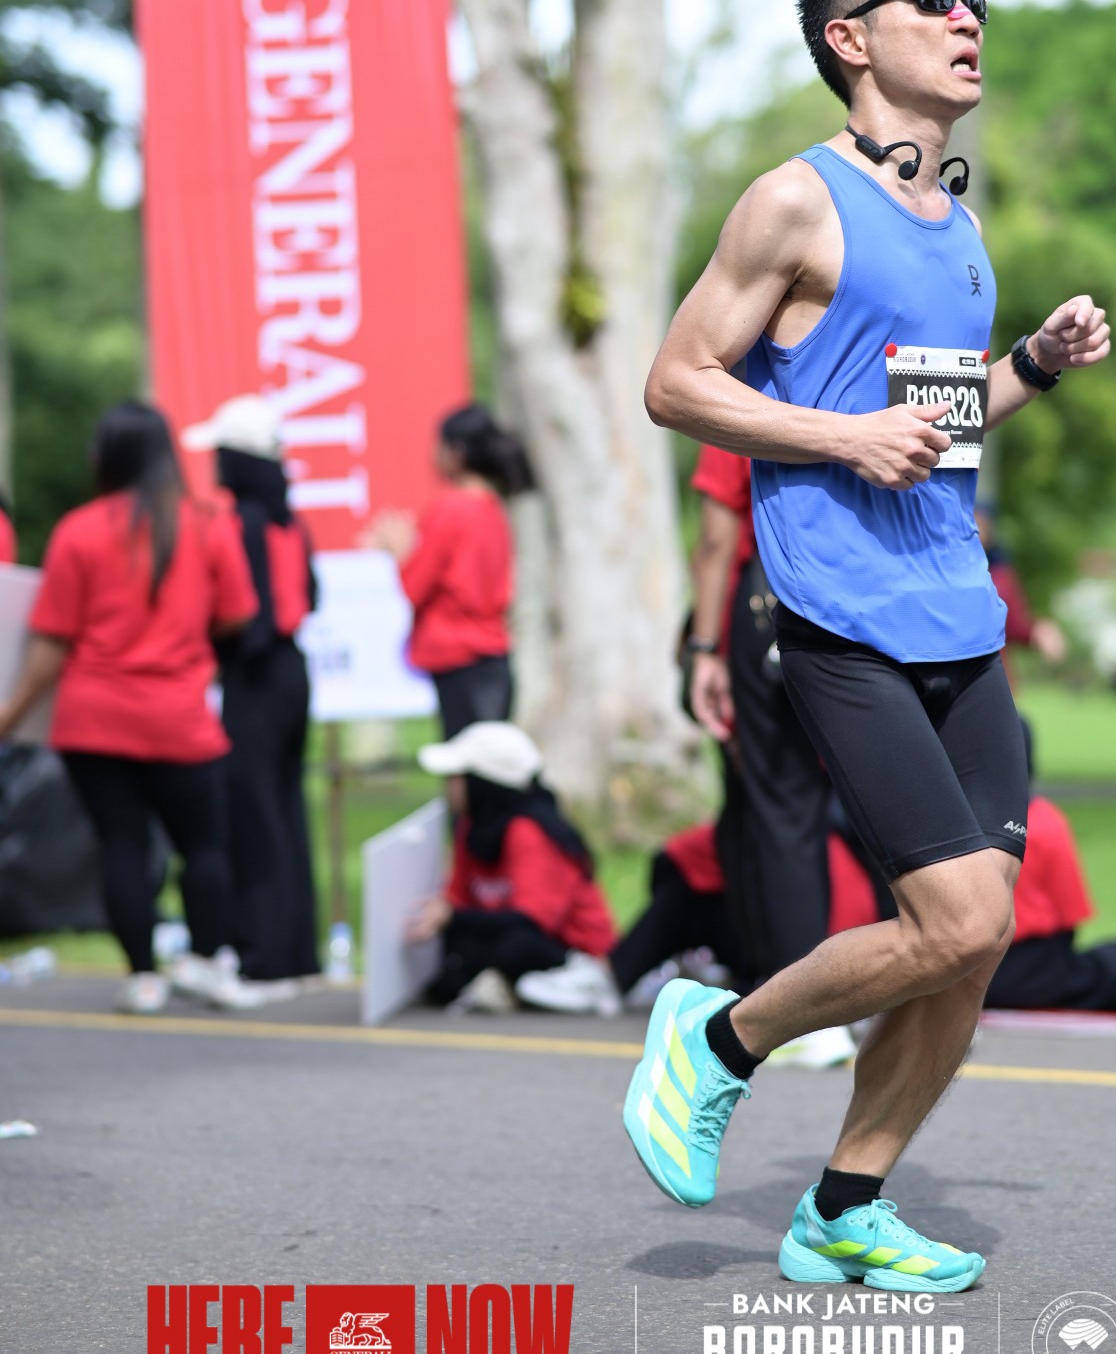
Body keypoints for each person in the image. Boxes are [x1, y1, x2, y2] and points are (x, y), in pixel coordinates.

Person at [623, 0, 1110, 1293]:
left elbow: (934, 430)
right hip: (840, 613)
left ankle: (844, 1204)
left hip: (960, 616)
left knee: (975, 942)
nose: (967, 18)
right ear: (849, 39)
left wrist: (1031, 365)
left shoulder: (956, 226)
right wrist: (840, 440)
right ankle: (715, 1037)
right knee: (951, 919)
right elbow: (674, 382)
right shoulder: (795, 200)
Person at [0, 403, 262, 1014]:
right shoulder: (206, 525)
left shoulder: (80, 531)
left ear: (108, 458)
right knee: (204, 846)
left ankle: (143, 977)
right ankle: (207, 963)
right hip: (179, 718)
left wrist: (10, 716)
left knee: (120, 845)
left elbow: (51, 645)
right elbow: (238, 614)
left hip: (94, 720)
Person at [181, 395, 320, 984]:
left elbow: (239, 610)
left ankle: (262, 953)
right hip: (292, 671)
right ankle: (297, 950)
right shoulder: (291, 521)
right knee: (285, 808)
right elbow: (310, 595)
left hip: (254, 674)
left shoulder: (237, 524)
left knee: (253, 814)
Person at [686, 446, 832, 992]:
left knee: (783, 806)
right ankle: (923, 992)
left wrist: (705, 647)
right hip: (871, 594)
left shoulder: (747, 403)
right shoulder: (859, 393)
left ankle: (802, 999)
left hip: (773, 602)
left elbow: (717, 538)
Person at [515, 816, 881, 1025]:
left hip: (821, 966)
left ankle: (613, 975)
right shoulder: (824, 830)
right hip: (852, 959)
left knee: (679, 898)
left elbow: (672, 858)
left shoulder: (767, 820)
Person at [406, 721, 616, 1013]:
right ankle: (501, 983)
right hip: (511, 935)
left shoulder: (528, 831)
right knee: (447, 971)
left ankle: (568, 983)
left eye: (456, 777)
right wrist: (444, 916)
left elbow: (528, 921)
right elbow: (459, 902)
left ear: (482, 783)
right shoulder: (471, 829)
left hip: (571, 949)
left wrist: (452, 917)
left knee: (515, 946)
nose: (448, 786)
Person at [366, 405, 533, 738]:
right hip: (492, 658)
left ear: (456, 453)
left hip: (460, 661)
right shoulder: (492, 507)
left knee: (464, 760)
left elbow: (415, 586)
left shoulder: (449, 510)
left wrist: (397, 551)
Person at [985, 727, 1116, 1012]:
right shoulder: (1044, 820)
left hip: (964, 972)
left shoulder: (952, 823)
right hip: (1036, 974)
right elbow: (1067, 921)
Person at [975, 502, 1066, 688]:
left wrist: (1039, 630)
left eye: (982, 524)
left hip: (992, 673)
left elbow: (1016, 623)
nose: (976, 530)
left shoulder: (1002, 574)